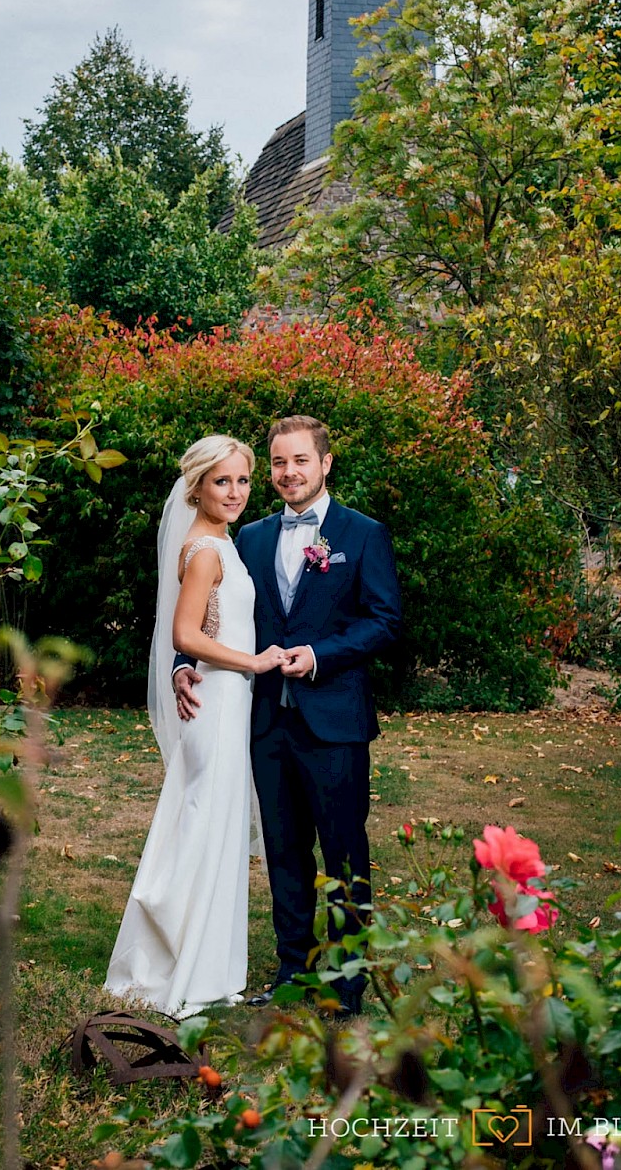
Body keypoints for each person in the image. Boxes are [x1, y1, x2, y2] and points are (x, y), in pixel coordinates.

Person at [173, 416, 401, 1017]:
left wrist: (321, 655)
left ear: (325, 464)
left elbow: (385, 620)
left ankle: (349, 981)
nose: (287, 473)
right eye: (278, 463)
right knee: (283, 849)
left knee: (344, 851)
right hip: (265, 720)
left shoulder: (364, 534)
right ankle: (292, 969)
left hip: (335, 722)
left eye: (300, 461)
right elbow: (212, 613)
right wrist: (180, 663)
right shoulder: (246, 537)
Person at [105, 436, 290, 1017]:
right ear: (197, 487)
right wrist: (254, 661)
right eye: (221, 481)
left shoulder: (220, 543)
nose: (235, 492)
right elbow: (187, 634)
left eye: (242, 480)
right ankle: (177, 966)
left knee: (215, 829)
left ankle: (207, 967)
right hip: (217, 703)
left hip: (225, 700)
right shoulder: (205, 550)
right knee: (203, 826)